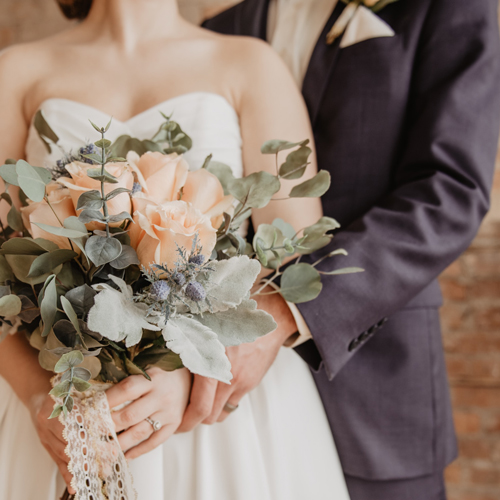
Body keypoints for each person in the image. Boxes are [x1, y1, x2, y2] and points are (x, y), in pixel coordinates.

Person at [0, 0, 351, 499]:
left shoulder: (250, 64)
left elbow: (293, 266)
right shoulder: (15, 71)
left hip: (219, 416)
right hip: (69, 402)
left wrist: (185, 367)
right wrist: (41, 398)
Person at [200, 0, 500, 499]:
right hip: (229, 413)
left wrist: (289, 308)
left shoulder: (449, 7)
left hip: (375, 392)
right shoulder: (221, 29)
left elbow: (450, 191)